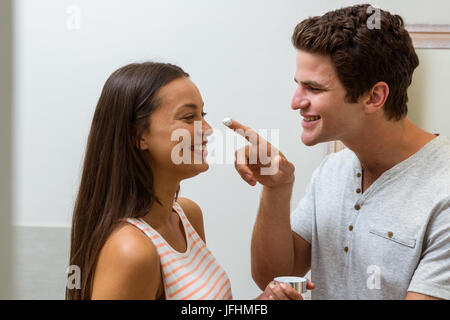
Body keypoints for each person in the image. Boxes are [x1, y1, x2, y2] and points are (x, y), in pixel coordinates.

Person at [227, 4, 450, 300]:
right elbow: (273, 276)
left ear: (374, 96)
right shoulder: (333, 170)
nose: (295, 102)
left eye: (313, 89)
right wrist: (277, 188)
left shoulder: (443, 192)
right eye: (298, 85)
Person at [66, 62, 302, 300]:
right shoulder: (131, 251)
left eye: (203, 114)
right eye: (189, 117)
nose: (208, 129)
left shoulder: (186, 215)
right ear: (138, 136)